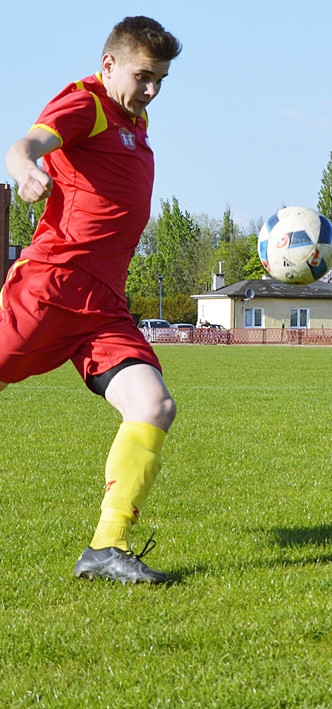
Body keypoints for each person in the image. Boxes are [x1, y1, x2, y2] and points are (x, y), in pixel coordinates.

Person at [2, 17, 182, 584]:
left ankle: (107, 548)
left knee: (154, 406)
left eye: (161, 80)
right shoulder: (89, 102)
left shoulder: (135, 117)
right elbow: (26, 144)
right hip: (51, 289)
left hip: (104, 304)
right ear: (109, 65)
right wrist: (24, 168)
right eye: (143, 76)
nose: (152, 90)